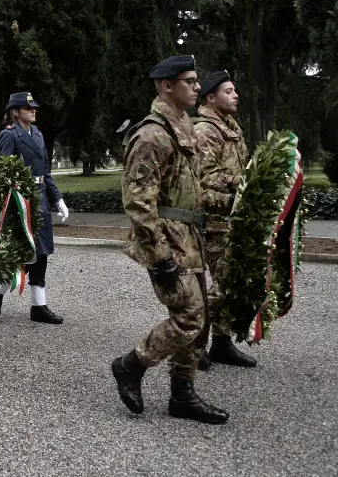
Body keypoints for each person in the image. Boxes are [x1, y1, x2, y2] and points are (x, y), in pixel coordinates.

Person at [111, 55, 229, 424]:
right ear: (166, 86)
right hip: (167, 241)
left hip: (189, 236)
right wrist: (158, 255)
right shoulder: (151, 134)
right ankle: (132, 364)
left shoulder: (183, 128)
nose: (197, 87)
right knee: (191, 317)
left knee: (200, 316)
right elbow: (138, 201)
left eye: (196, 81)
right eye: (190, 81)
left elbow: (190, 190)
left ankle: (182, 395)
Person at [0, 92, 68, 323]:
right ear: (15, 111)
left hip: (39, 198)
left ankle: (38, 306)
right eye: (27, 107)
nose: (33, 110)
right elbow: (2, 173)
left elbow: (46, 173)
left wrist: (57, 199)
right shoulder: (9, 136)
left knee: (41, 253)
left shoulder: (38, 134)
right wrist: (10, 202)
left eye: (33, 107)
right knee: (25, 252)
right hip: (20, 202)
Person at [194, 70, 255, 369]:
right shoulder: (206, 130)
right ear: (210, 97)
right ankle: (195, 346)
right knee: (222, 286)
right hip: (214, 220)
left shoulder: (230, 127)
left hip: (232, 219)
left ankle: (221, 342)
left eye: (235, 89)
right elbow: (205, 181)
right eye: (228, 91)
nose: (236, 95)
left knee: (230, 283)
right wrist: (242, 188)